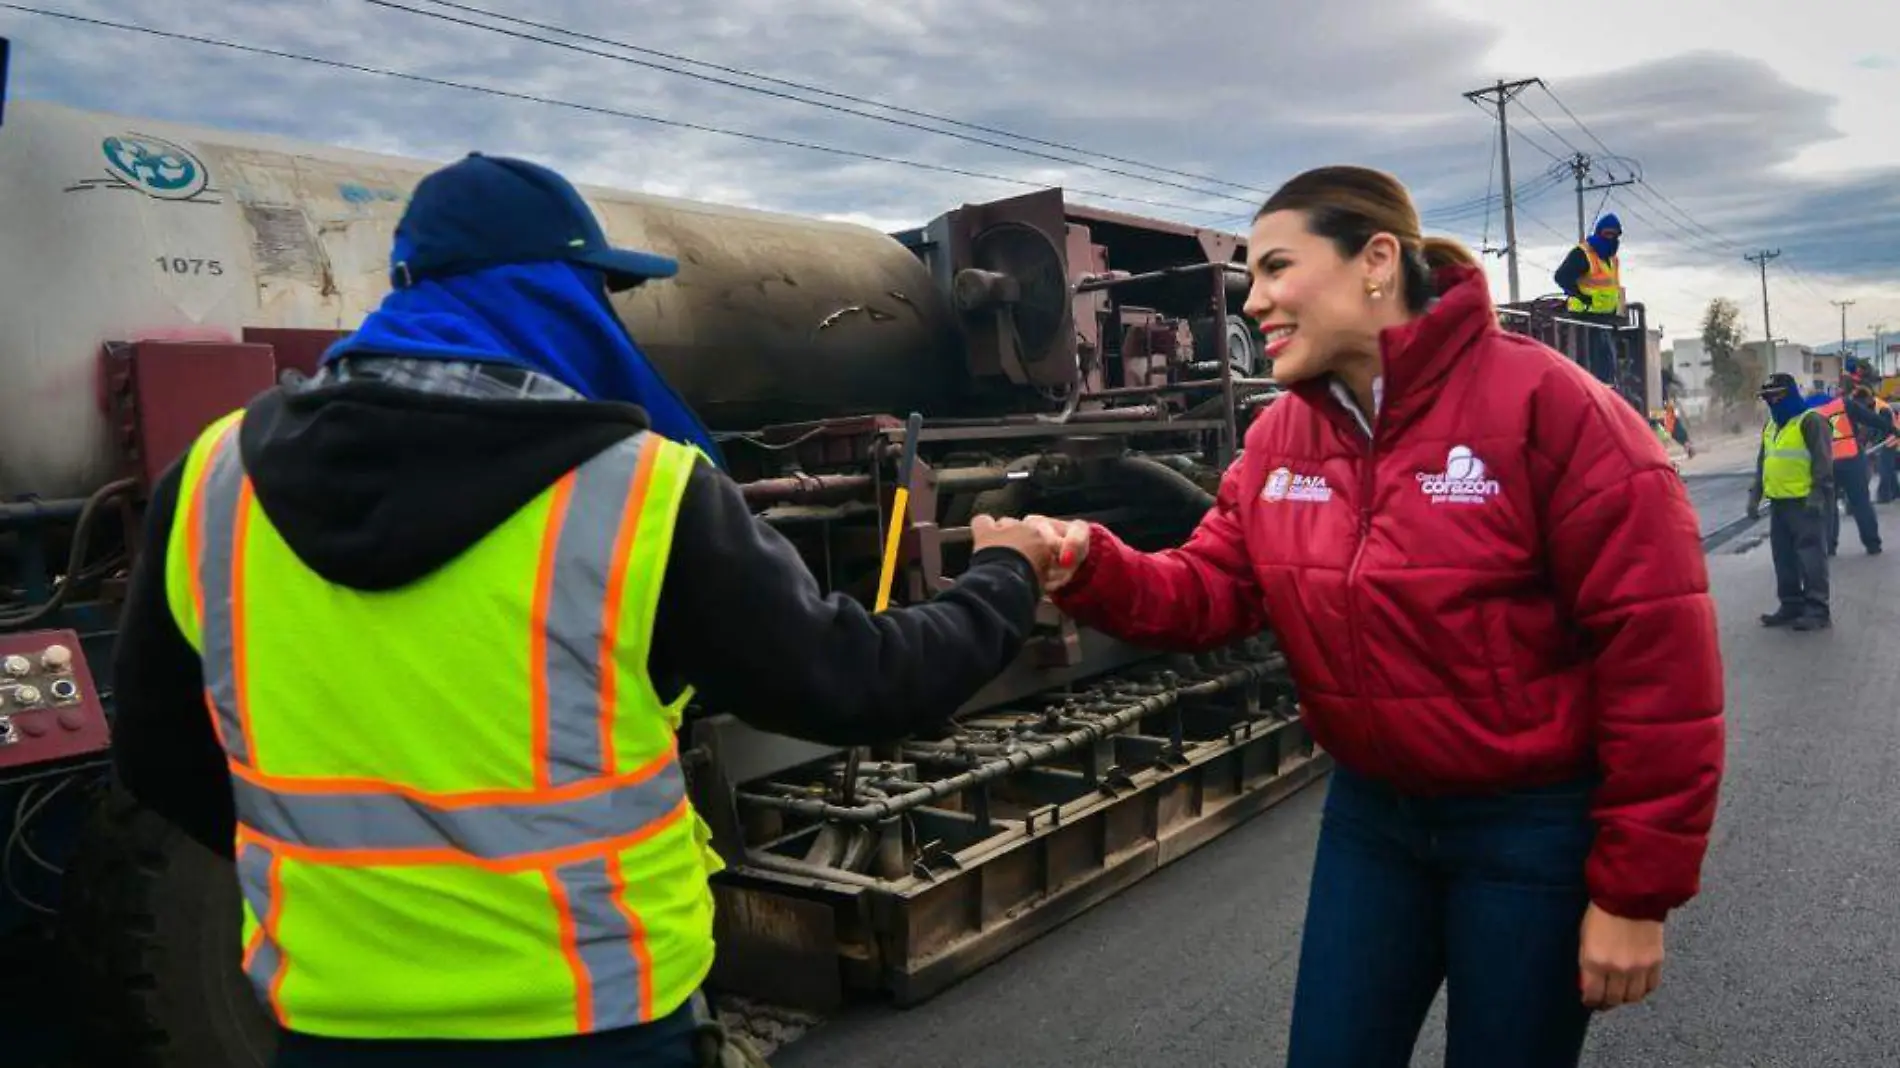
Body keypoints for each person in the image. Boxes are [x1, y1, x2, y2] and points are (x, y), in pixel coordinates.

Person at [109, 153, 1060, 1068]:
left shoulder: (214, 480)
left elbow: (159, 752)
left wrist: (340, 886)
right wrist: (1006, 576)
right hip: (599, 1019)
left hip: (332, 1023)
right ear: (554, 296)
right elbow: (858, 684)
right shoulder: (635, 491)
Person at [980, 166, 1726, 1067]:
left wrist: (1635, 894)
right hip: (1375, 821)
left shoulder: (1556, 411)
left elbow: (1662, 665)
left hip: (1530, 830)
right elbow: (1212, 588)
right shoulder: (1279, 439)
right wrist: (1088, 562)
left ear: (1376, 260)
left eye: (1275, 269)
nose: (1253, 302)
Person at [1748, 373, 1833, 630]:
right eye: (1768, 398)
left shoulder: (1811, 421)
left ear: (1789, 395)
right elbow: (1763, 463)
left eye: (1776, 397)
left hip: (1805, 502)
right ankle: (1791, 604)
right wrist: (1755, 497)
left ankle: (1818, 610)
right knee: (1783, 557)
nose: (1772, 402)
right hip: (1779, 503)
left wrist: (1818, 494)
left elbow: (1823, 462)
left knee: (1810, 557)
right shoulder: (1771, 426)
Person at [1810, 368, 1886, 555]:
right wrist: (1893, 429)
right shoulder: (1845, 405)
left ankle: (1829, 546)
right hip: (1851, 460)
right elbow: (1871, 419)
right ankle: (1872, 544)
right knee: (1861, 503)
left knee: (1828, 506)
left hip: (1826, 464)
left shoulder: (1812, 412)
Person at [1554, 213, 1625, 390]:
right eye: (1607, 234)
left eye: (1614, 235)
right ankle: (1598, 391)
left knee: (1607, 361)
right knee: (1594, 362)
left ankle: (1607, 390)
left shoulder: (1612, 259)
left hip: (1605, 318)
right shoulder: (1583, 253)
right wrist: (1579, 295)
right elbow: (1561, 276)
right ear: (1599, 233)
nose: (1611, 238)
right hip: (1583, 317)